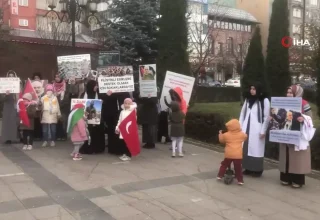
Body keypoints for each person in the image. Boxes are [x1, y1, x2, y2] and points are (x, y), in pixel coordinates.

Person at [278, 85, 313, 188]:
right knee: (286, 156)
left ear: (297, 93)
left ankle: (297, 180)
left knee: (297, 158)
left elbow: (310, 117)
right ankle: (285, 178)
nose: (289, 95)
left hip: (299, 134)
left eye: (291, 93)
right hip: (286, 133)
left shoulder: (304, 103)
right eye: (288, 92)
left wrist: (303, 119)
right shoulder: (282, 103)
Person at [239, 83, 270, 177]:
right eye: (251, 88)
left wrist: (263, 130)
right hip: (246, 127)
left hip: (257, 129)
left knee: (255, 149)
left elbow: (266, 117)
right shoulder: (248, 100)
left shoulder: (264, 100)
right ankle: (247, 168)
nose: (252, 90)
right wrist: (239, 126)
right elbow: (242, 114)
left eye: (254, 89)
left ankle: (257, 170)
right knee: (245, 148)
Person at [217, 119, 248, 185]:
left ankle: (220, 176)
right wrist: (240, 131)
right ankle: (240, 180)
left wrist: (220, 134)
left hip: (229, 154)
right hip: (238, 155)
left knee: (224, 165)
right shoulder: (241, 135)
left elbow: (221, 141)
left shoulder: (226, 135)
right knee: (238, 167)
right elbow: (245, 136)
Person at [80, 79, 105, 154]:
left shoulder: (99, 94)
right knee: (88, 133)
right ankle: (87, 148)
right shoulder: (84, 94)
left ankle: (98, 148)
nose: (96, 87)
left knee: (97, 133)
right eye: (95, 85)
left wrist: (102, 102)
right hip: (86, 118)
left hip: (97, 117)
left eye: (97, 85)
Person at [100, 90, 130, 155]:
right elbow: (103, 101)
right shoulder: (107, 91)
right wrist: (107, 95)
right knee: (112, 130)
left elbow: (128, 100)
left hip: (122, 113)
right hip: (111, 114)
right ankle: (112, 148)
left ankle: (121, 149)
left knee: (121, 131)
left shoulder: (124, 91)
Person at [1, 70, 20, 144]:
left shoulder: (18, 85)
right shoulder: (4, 87)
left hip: (16, 105)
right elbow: (1, 99)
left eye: (12, 76)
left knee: (16, 121)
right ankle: (8, 138)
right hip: (7, 106)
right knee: (7, 122)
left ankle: (16, 137)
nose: (11, 78)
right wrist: (6, 94)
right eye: (10, 76)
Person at [53, 73, 68, 140]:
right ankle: (57, 136)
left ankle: (63, 136)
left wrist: (60, 104)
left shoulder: (65, 87)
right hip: (55, 109)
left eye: (58, 77)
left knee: (63, 122)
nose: (57, 78)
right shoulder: (53, 87)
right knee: (57, 123)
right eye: (56, 77)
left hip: (63, 108)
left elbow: (67, 99)